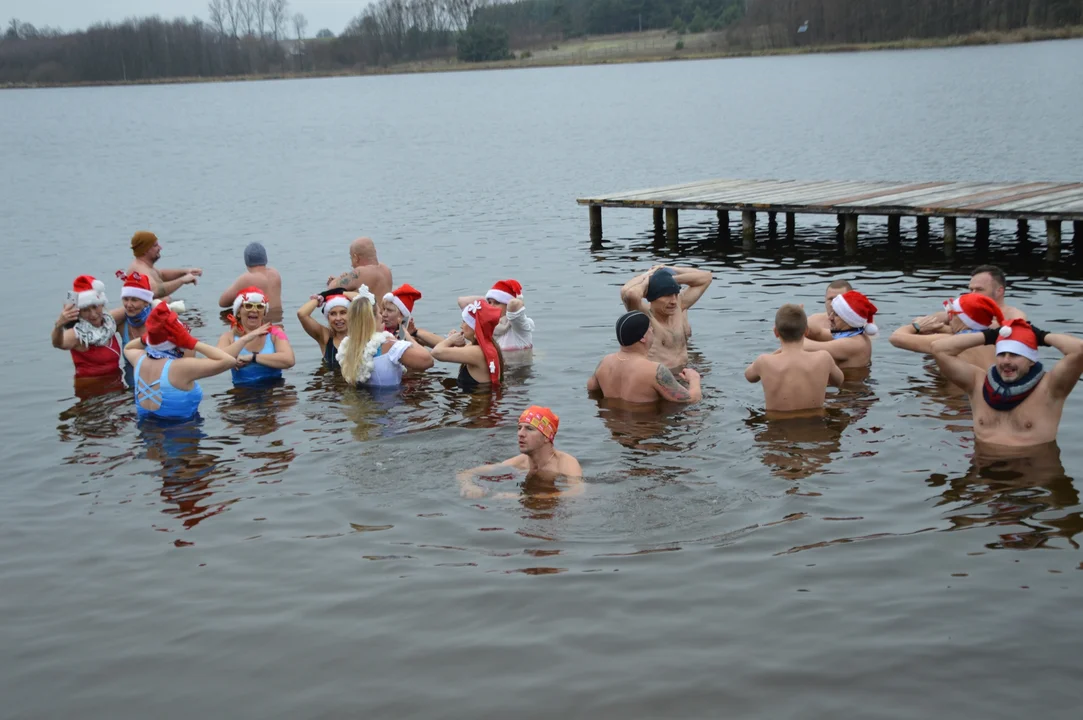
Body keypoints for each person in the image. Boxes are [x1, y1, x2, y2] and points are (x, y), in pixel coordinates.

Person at [931, 319, 1083, 447]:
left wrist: (1042, 336)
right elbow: (939, 349)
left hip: (1032, 476)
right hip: (983, 475)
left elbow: (1079, 350)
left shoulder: (1051, 388)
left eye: (1015, 355)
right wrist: (990, 335)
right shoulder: (976, 382)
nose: (1006, 361)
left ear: (1031, 361)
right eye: (1002, 354)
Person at [123, 303, 241, 421]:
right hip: (182, 433)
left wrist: (149, 337)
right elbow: (229, 361)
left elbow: (127, 348)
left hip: (146, 433)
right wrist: (192, 342)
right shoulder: (180, 367)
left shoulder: (139, 359)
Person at [458, 405, 583, 498]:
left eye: (529, 429)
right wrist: (468, 486)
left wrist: (522, 497)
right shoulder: (520, 462)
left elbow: (578, 492)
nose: (520, 434)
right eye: (519, 428)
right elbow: (465, 473)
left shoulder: (565, 463)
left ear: (546, 437)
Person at [587, 310, 702, 403]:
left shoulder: (604, 363)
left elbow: (591, 389)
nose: (652, 330)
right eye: (650, 328)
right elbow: (691, 399)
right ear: (642, 337)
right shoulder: (655, 370)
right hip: (645, 429)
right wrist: (694, 379)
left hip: (614, 429)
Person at [745, 304, 843, 412]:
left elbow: (749, 376)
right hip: (815, 425)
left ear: (776, 332)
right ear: (806, 331)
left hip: (776, 426)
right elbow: (839, 381)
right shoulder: (824, 358)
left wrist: (778, 351)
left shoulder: (763, 361)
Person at [620, 265, 713, 372]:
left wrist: (670, 274)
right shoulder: (645, 318)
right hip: (660, 379)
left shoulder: (678, 307)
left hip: (684, 372)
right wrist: (648, 278)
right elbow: (631, 294)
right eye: (667, 295)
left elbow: (706, 277)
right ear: (652, 298)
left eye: (675, 294)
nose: (673, 301)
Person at [337, 285, 433, 387]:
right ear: (372, 319)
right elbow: (428, 361)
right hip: (390, 401)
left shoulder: (347, 347)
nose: (382, 315)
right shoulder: (389, 345)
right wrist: (407, 335)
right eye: (379, 312)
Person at [890, 293, 1004, 370]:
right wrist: (940, 328)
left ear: (964, 320)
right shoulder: (992, 340)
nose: (949, 318)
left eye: (952, 314)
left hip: (955, 403)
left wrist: (917, 326)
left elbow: (896, 338)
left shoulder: (948, 342)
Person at [216, 286, 296, 386]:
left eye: (259, 306)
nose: (254, 310)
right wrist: (246, 339)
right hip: (243, 392)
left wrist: (253, 357)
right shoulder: (228, 337)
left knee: (290, 398)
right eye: (248, 306)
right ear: (239, 313)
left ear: (264, 313)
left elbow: (289, 360)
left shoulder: (275, 333)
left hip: (274, 388)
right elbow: (216, 360)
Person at [51, 275, 122, 378]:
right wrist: (59, 325)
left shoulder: (109, 321)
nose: (93, 314)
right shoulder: (77, 334)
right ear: (78, 313)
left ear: (102, 304)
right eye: (85, 310)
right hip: (89, 389)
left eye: (95, 307)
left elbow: (131, 309)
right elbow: (58, 343)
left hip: (116, 382)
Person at [431, 300, 504, 391]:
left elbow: (436, 352)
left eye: (464, 321)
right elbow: (451, 351)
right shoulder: (487, 345)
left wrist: (449, 340)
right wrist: (453, 342)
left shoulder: (477, 352)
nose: (461, 326)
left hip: (478, 403)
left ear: (475, 329)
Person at [796, 290, 878, 369]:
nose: (830, 318)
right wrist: (799, 318)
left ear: (848, 320)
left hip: (847, 383)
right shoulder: (852, 334)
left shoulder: (852, 344)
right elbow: (819, 333)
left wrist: (788, 326)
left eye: (836, 315)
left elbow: (804, 346)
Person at [457, 279, 535, 351]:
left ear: (507, 305)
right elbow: (462, 301)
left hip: (520, 366)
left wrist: (518, 298)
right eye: (489, 302)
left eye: (497, 302)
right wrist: (488, 301)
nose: (491, 306)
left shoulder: (518, 325)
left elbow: (514, 304)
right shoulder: (487, 325)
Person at [127, 230, 201, 299]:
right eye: (155, 245)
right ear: (145, 250)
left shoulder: (145, 266)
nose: (160, 248)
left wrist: (185, 272)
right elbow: (155, 291)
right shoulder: (140, 269)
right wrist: (182, 280)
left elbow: (161, 275)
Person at [217, 242, 283, 313]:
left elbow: (222, 303)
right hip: (278, 321)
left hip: (261, 322)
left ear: (247, 261)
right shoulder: (275, 274)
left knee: (227, 315)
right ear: (265, 259)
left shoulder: (248, 278)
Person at [297, 288, 352, 370]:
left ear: (352, 314)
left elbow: (369, 303)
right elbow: (302, 314)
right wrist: (321, 297)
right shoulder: (325, 337)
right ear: (328, 317)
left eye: (343, 312)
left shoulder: (363, 334)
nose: (338, 318)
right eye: (333, 314)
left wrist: (342, 292)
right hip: (333, 382)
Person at [326, 237, 392, 302]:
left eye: (351, 257)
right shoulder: (386, 269)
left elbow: (331, 288)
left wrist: (338, 279)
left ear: (356, 257)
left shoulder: (360, 272)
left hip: (370, 313)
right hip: (383, 312)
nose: (351, 265)